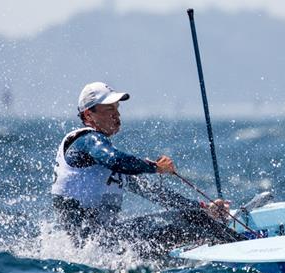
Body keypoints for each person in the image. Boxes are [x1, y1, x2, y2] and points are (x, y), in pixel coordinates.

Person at [51, 82, 230, 246]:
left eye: (117, 108)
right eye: (109, 110)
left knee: (195, 217)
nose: (117, 115)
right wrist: (155, 167)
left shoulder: (103, 159)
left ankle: (224, 240)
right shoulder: (87, 140)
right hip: (95, 244)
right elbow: (115, 160)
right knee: (193, 222)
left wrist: (204, 208)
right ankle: (241, 244)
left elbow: (155, 193)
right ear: (89, 114)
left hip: (108, 241)